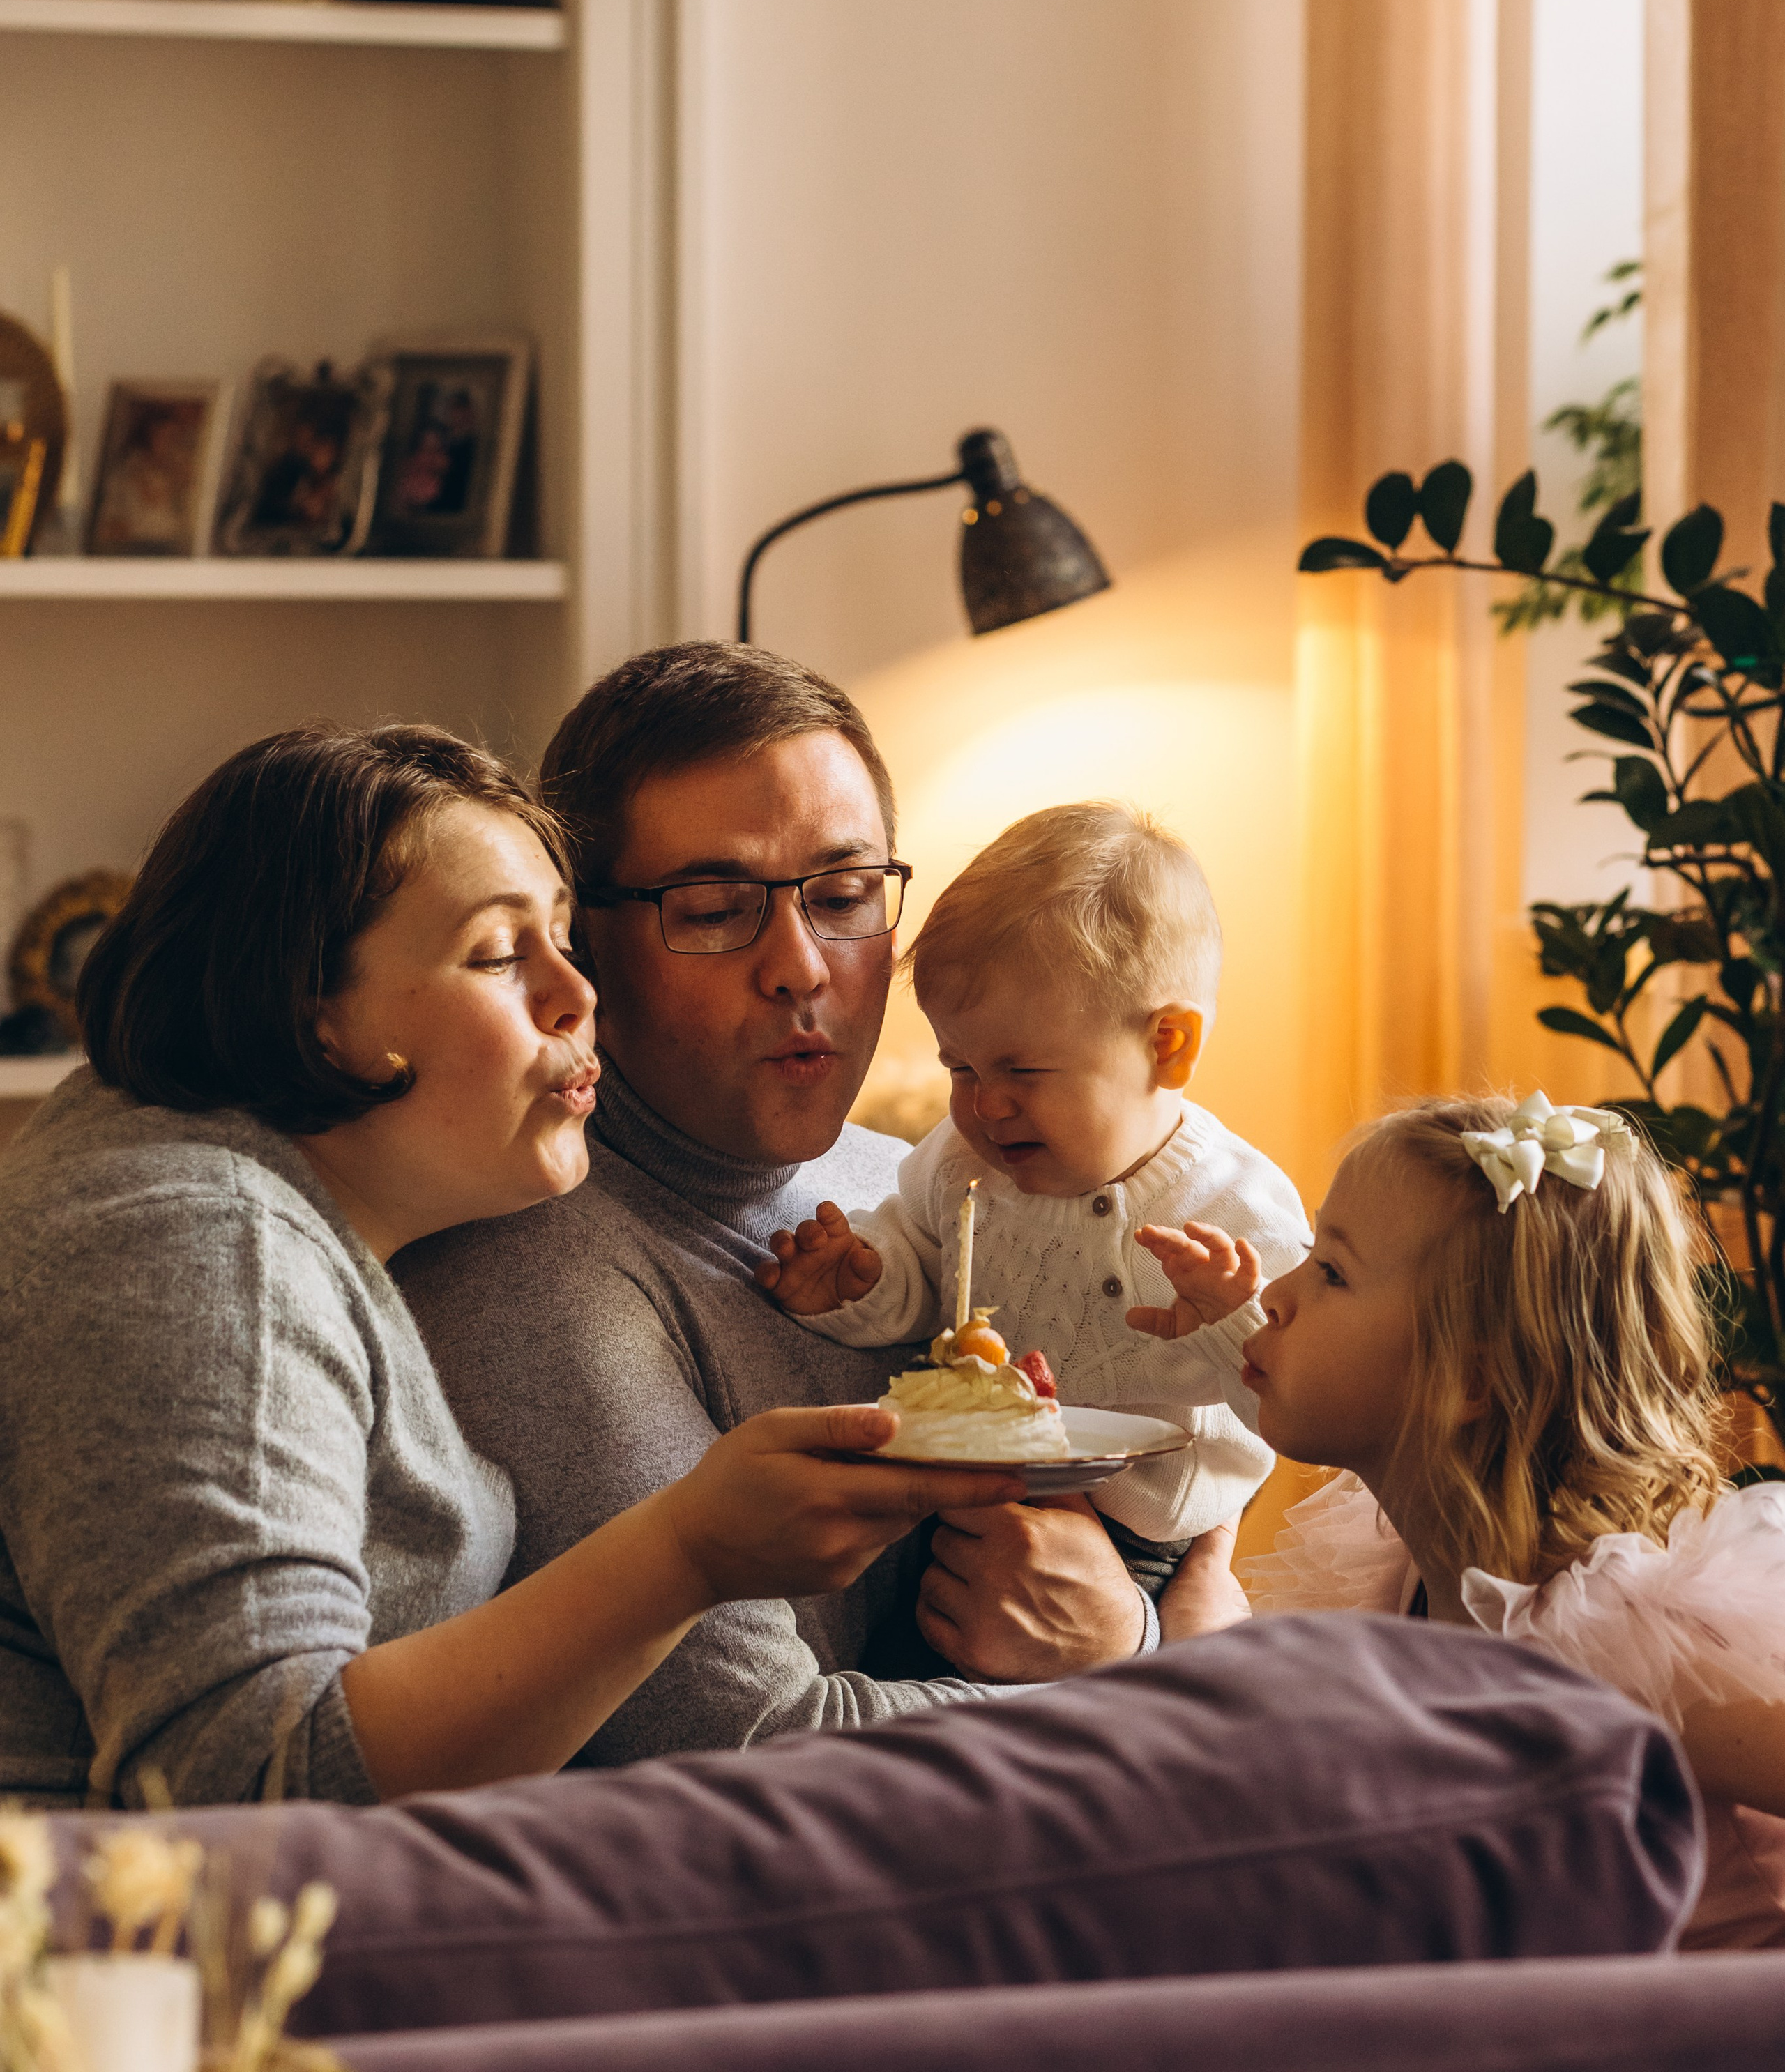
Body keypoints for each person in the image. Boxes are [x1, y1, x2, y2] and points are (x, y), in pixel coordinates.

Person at [0, 724, 1022, 1810]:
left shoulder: (261, 1212)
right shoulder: (200, 1243)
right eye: (497, 954)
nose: (578, 995)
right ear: (318, 1013)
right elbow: (245, 1796)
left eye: (564, 940)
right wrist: (685, 1556)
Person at [397, 644, 1197, 1765]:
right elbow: (759, 1752)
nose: (801, 965)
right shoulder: (543, 1277)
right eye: (717, 909)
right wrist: (1159, 1677)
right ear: (587, 944)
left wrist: (1144, 1627)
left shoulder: (920, 1184)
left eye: (843, 895)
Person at [1143, 1089, 1785, 1950]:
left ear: (1470, 1379)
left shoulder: (1635, 1643)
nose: (1278, 1296)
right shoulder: (1406, 1571)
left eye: (1332, 1271)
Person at [757, 802, 1309, 1603]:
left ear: (1168, 1046)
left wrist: (1235, 1321)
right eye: (962, 1068)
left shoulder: (1236, 1204)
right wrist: (863, 1281)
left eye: (1022, 1071)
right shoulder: (955, 1165)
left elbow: (1304, 1411)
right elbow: (921, 1278)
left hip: (1143, 1542)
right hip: (970, 1490)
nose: (986, 1106)